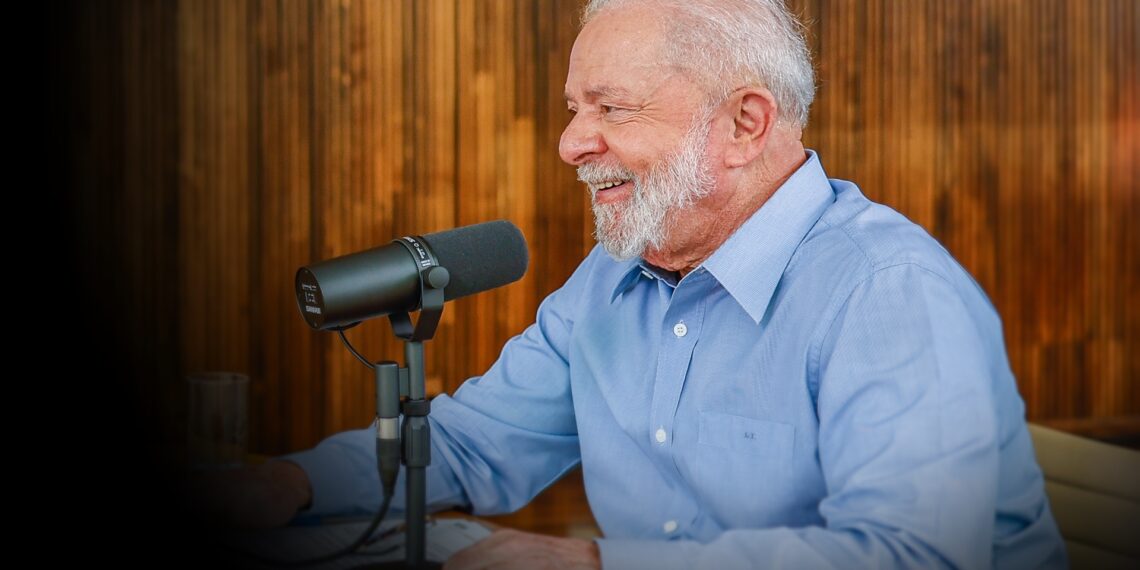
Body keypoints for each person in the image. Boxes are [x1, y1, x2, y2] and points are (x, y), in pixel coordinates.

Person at [209, 1, 1067, 568]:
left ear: (744, 124)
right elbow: (472, 447)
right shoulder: (616, 273)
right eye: (574, 109)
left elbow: (912, 556)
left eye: (610, 109)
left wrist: (591, 563)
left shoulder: (890, 290)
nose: (571, 144)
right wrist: (295, 483)